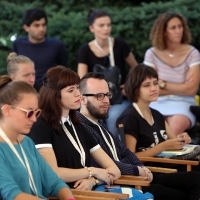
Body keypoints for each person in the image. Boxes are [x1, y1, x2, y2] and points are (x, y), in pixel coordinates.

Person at [78, 71, 200, 200]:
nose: (107, 100)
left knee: (195, 179)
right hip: (124, 182)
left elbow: (125, 152)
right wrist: (138, 170)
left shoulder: (99, 123)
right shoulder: (82, 127)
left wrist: (141, 168)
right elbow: (104, 165)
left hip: (138, 175)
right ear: (82, 98)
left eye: (108, 95)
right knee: (183, 192)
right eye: (100, 96)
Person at [29, 66, 121, 190]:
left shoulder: (79, 126)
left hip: (91, 193)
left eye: (78, 87)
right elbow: (53, 173)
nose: (78, 93)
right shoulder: (40, 126)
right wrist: (91, 171)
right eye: (71, 90)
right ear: (55, 95)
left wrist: (93, 180)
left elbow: (114, 170)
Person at [0, 75, 74, 200]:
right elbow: (12, 194)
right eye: (29, 113)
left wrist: (69, 198)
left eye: (36, 112)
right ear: (7, 110)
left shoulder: (27, 142)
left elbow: (55, 182)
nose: (34, 119)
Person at [77, 9, 138, 137]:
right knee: (85, 119)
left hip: (119, 99)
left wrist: (129, 86)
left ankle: (115, 153)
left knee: (113, 117)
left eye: (108, 25)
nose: (106, 28)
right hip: (95, 98)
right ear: (91, 28)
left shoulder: (120, 45)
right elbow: (82, 81)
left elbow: (136, 69)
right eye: (101, 25)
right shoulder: (85, 51)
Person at [143, 12, 200, 135]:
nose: (179, 31)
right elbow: (148, 88)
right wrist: (182, 87)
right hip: (156, 102)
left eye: (180, 26)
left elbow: (191, 90)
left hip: (183, 103)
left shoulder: (192, 53)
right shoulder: (152, 54)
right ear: (163, 31)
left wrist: (162, 83)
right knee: (152, 130)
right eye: (173, 28)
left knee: (173, 130)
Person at [12, 8, 67, 89]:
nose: (41, 29)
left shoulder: (57, 45)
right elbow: (14, 70)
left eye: (44, 25)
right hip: (25, 90)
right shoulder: (18, 44)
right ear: (26, 27)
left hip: (50, 91)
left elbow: (65, 72)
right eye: (36, 25)